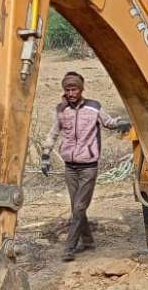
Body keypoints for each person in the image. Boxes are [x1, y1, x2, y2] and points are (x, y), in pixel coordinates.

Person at [41, 71, 130, 262]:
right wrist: (45, 155)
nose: (71, 93)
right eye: (67, 90)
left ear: (81, 89)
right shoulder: (61, 110)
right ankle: (88, 242)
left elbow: (109, 122)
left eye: (74, 89)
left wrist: (123, 123)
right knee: (77, 207)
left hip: (88, 166)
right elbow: (53, 133)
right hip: (70, 167)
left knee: (79, 208)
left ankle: (69, 248)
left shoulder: (94, 107)